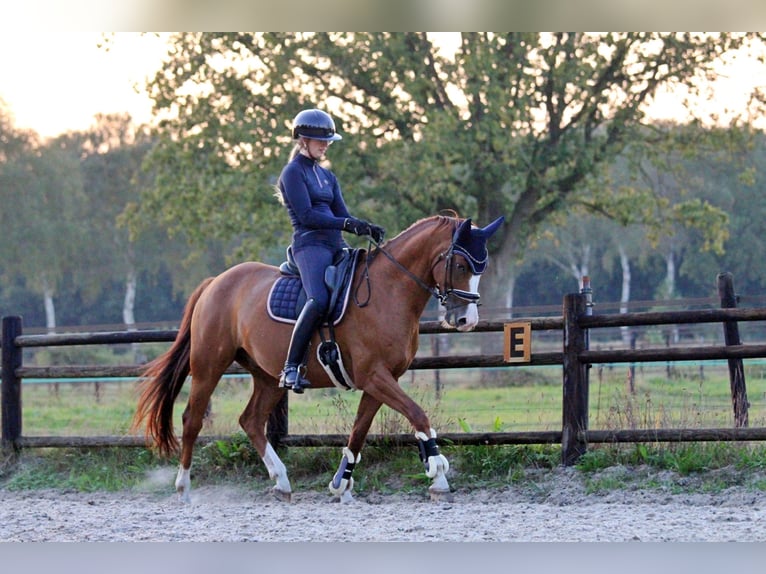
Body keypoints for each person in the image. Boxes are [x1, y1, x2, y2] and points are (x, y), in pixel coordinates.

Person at [276, 108, 385, 393]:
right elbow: (308, 215)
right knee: (319, 299)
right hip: (310, 244)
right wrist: (348, 222)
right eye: (319, 140)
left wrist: (364, 227)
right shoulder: (292, 173)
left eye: (327, 141)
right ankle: (291, 367)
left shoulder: (328, 177)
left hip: (336, 243)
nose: (325, 145)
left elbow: (342, 214)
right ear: (302, 141)